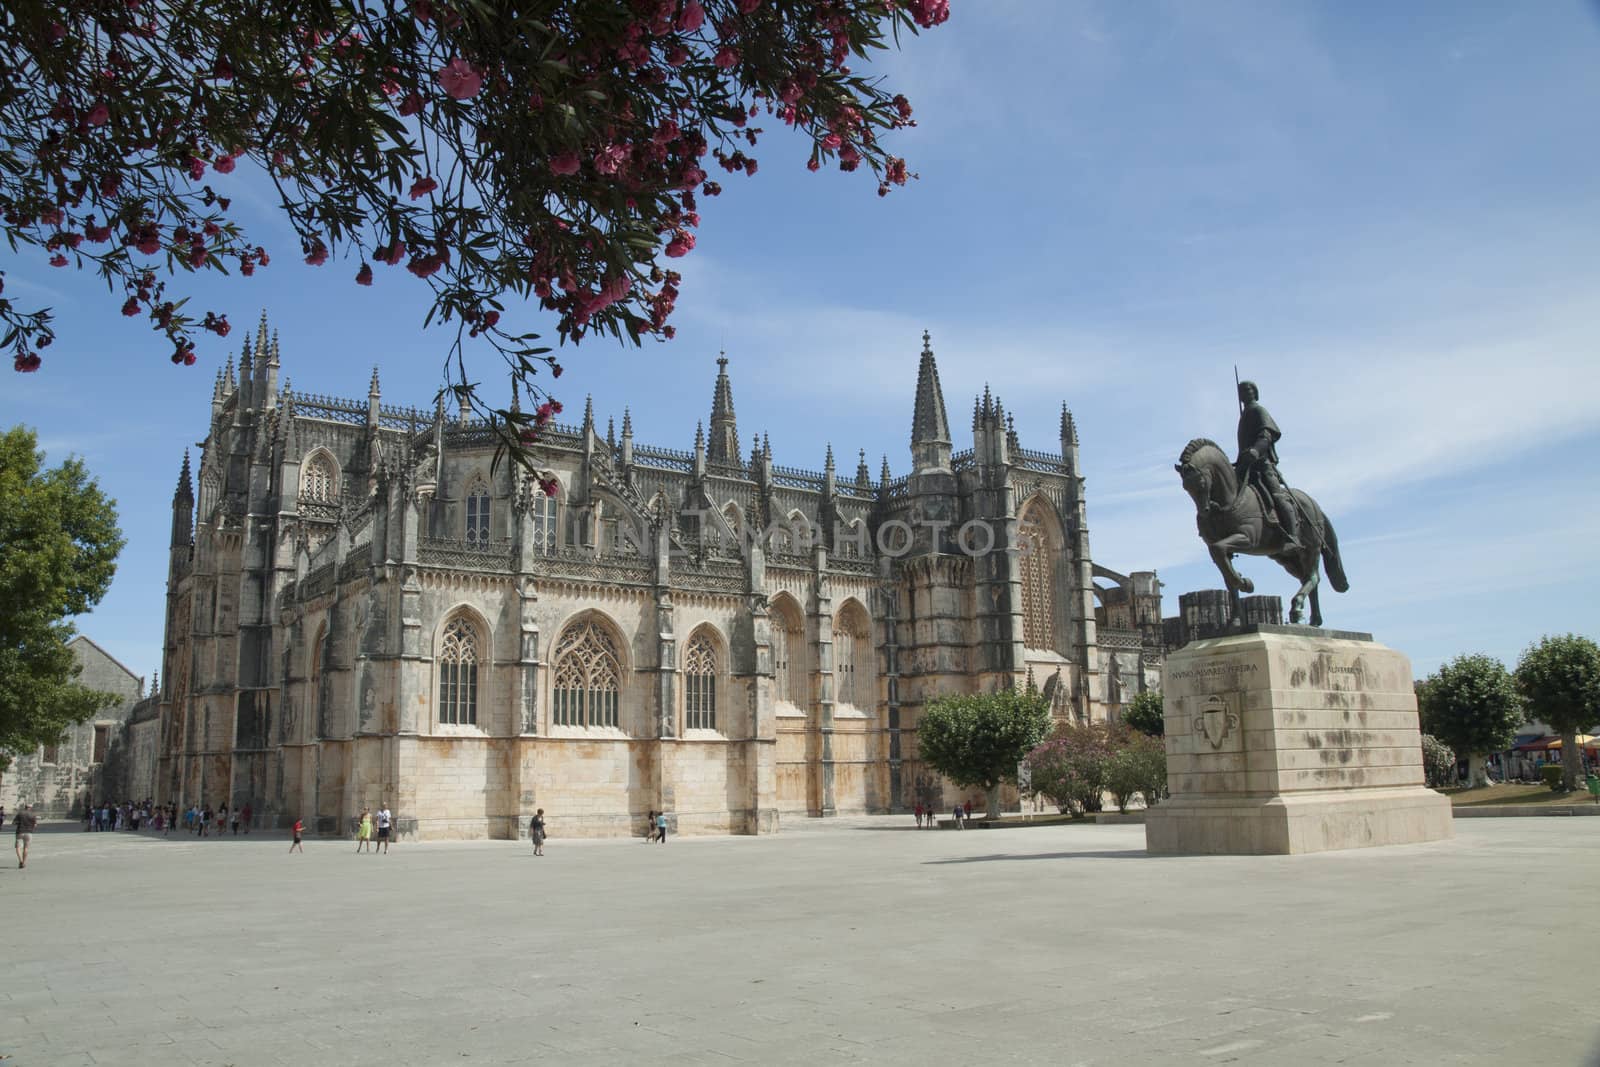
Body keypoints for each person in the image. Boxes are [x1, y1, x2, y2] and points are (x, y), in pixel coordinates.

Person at [1233, 380, 1301, 551]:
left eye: (1248, 389)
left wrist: (1256, 451)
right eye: (1241, 391)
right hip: (1245, 465)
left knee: (1277, 495)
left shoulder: (1258, 410)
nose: (1245, 393)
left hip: (1262, 464)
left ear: (1255, 393)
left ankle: (1293, 536)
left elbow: (1267, 434)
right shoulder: (1244, 416)